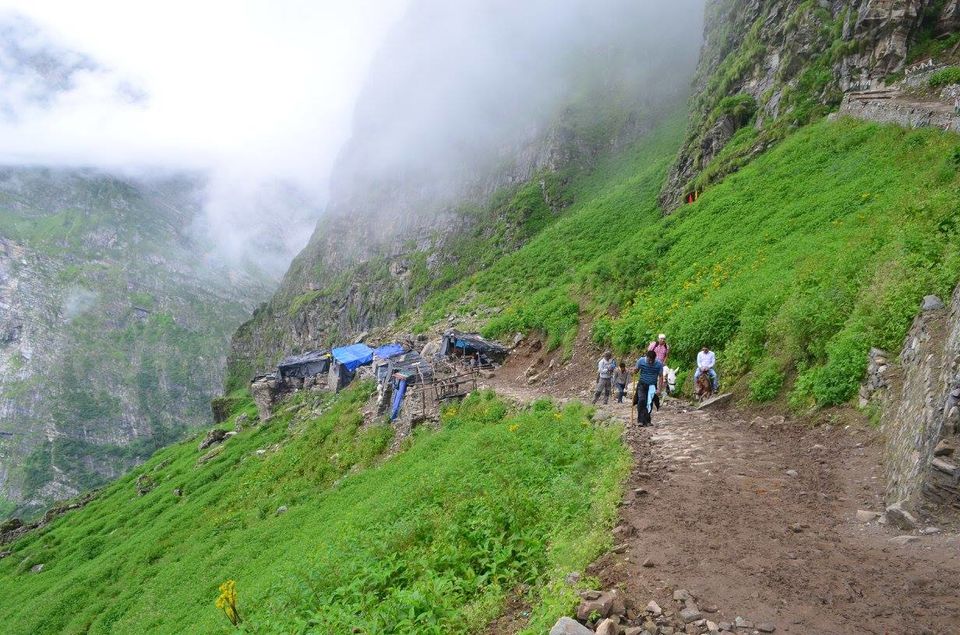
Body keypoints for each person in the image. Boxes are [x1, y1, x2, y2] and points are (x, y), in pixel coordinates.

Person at [635, 349, 663, 426]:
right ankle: (640, 420)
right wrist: (634, 370)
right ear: (646, 357)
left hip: (652, 386)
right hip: (642, 384)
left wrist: (659, 389)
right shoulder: (641, 361)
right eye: (649, 360)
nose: (650, 362)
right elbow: (636, 370)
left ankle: (647, 421)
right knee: (641, 400)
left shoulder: (659, 364)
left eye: (652, 360)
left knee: (649, 402)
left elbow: (661, 377)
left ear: (655, 359)